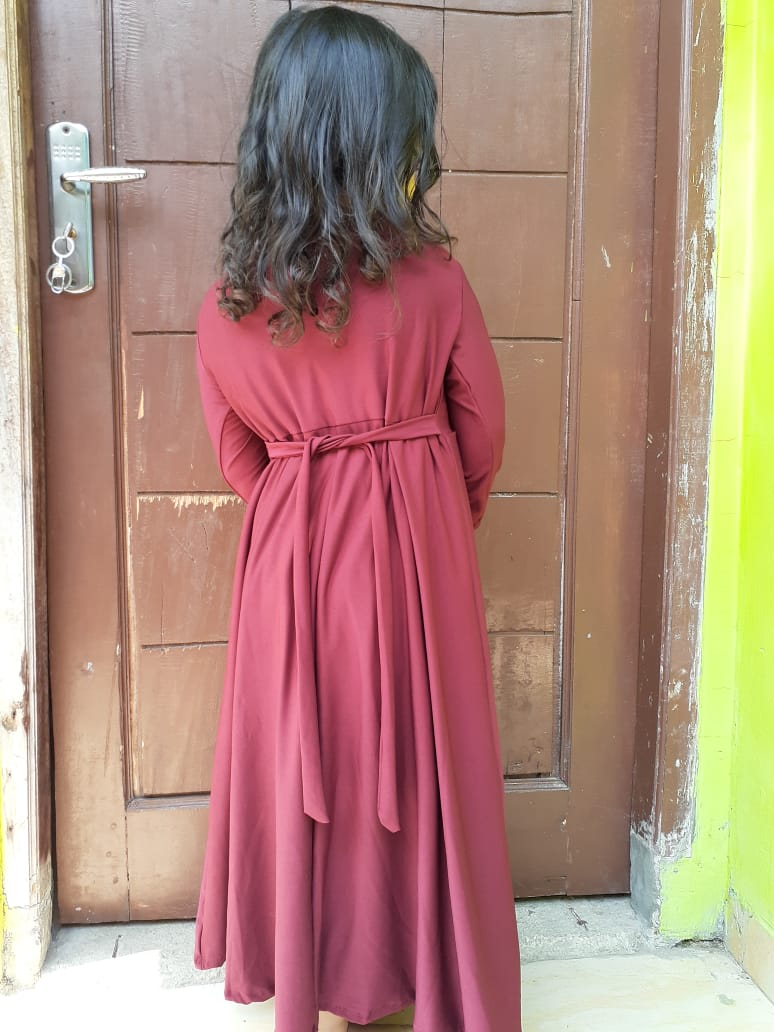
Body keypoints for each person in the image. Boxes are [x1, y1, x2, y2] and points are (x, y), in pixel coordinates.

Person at [192, 5, 522, 1030]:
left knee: (306, 758)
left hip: (288, 562)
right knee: (423, 760)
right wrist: (430, 517)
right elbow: (482, 430)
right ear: (383, 144)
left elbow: (237, 454)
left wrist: (305, 503)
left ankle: (316, 986)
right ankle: (419, 978)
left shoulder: (227, 305)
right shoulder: (438, 285)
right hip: (417, 556)